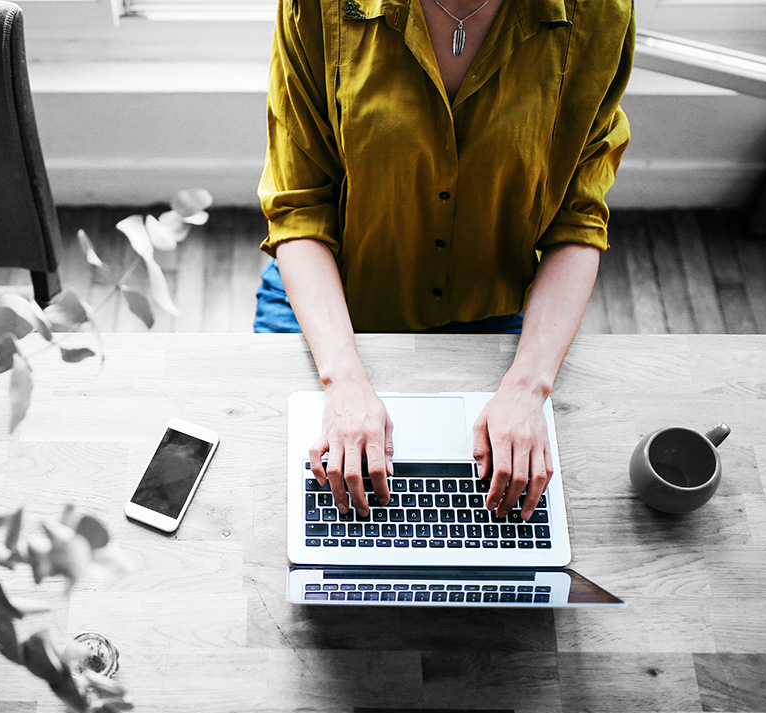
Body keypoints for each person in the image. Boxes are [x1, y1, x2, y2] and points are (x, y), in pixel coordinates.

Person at [256, 0, 634, 522]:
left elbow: (578, 218)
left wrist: (528, 387)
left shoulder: (600, 12)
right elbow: (300, 208)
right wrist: (344, 383)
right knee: (277, 510)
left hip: (495, 310)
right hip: (330, 302)